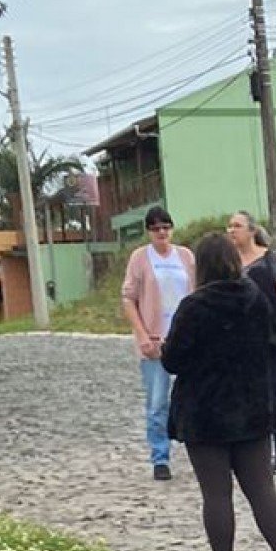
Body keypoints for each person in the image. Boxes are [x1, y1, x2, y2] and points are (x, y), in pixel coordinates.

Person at [159, 234, 276, 551]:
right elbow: (273, 340)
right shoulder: (256, 300)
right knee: (261, 488)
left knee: (216, 493)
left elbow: (173, 361)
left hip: (205, 413)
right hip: (251, 408)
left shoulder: (193, 307)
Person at [120, 206, 195, 481]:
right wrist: (141, 334)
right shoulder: (140, 259)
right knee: (157, 402)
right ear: (148, 231)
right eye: (155, 228)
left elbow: (197, 293)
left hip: (185, 339)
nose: (161, 232)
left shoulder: (186, 257)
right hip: (154, 340)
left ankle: (199, 450)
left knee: (192, 398)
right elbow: (128, 298)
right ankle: (160, 456)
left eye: (165, 226)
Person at [225, 211, 276, 473]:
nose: (231, 231)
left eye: (237, 226)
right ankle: (255, 454)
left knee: (275, 394)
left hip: (272, 336)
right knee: (248, 396)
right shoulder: (228, 262)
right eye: (229, 226)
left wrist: (267, 283)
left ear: (251, 231)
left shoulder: (271, 259)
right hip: (240, 338)